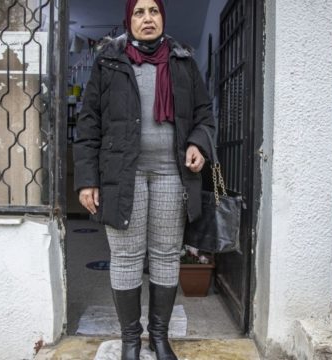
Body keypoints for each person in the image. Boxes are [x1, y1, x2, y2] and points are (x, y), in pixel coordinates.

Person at [73, 0, 214, 359]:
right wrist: (87, 180)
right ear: (128, 19)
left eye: (154, 11)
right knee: (125, 256)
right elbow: (89, 124)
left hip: (172, 174)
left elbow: (204, 114)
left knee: (166, 255)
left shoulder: (183, 60)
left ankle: (160, 337)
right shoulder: (109, 61)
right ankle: (131, 340)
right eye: (139, 12)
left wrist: (199, 142)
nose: (147, 18)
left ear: (162, 17)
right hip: (123, 176)